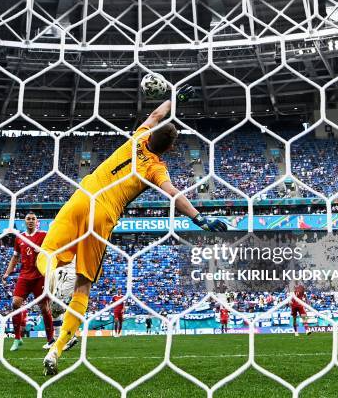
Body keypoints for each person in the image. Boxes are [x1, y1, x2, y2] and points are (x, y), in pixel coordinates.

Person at [37, 88, 228, 375]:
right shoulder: (156, 168)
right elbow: (173, 194)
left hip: (81, 198)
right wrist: (198, 218)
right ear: (170, 149)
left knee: (47, 254)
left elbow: (156, 114)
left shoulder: (138, 137)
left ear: (150, 134)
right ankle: (57, 349)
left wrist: (175, 100)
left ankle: (55, 279)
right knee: (83, 286)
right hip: (103, 216)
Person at [3, 212, 54, 351]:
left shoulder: (43, 235)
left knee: (44, 308)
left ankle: (50, 339)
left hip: (39, 276)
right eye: (28, 219)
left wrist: (42, 251)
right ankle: (17, 338)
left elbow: (52, 250)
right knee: (15, 304)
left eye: (33, 219)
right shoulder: (19, 238)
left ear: (37, 221)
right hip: (24, 276)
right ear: (24, 222)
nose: (31, 221)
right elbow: (15, 257)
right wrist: (7, 272)